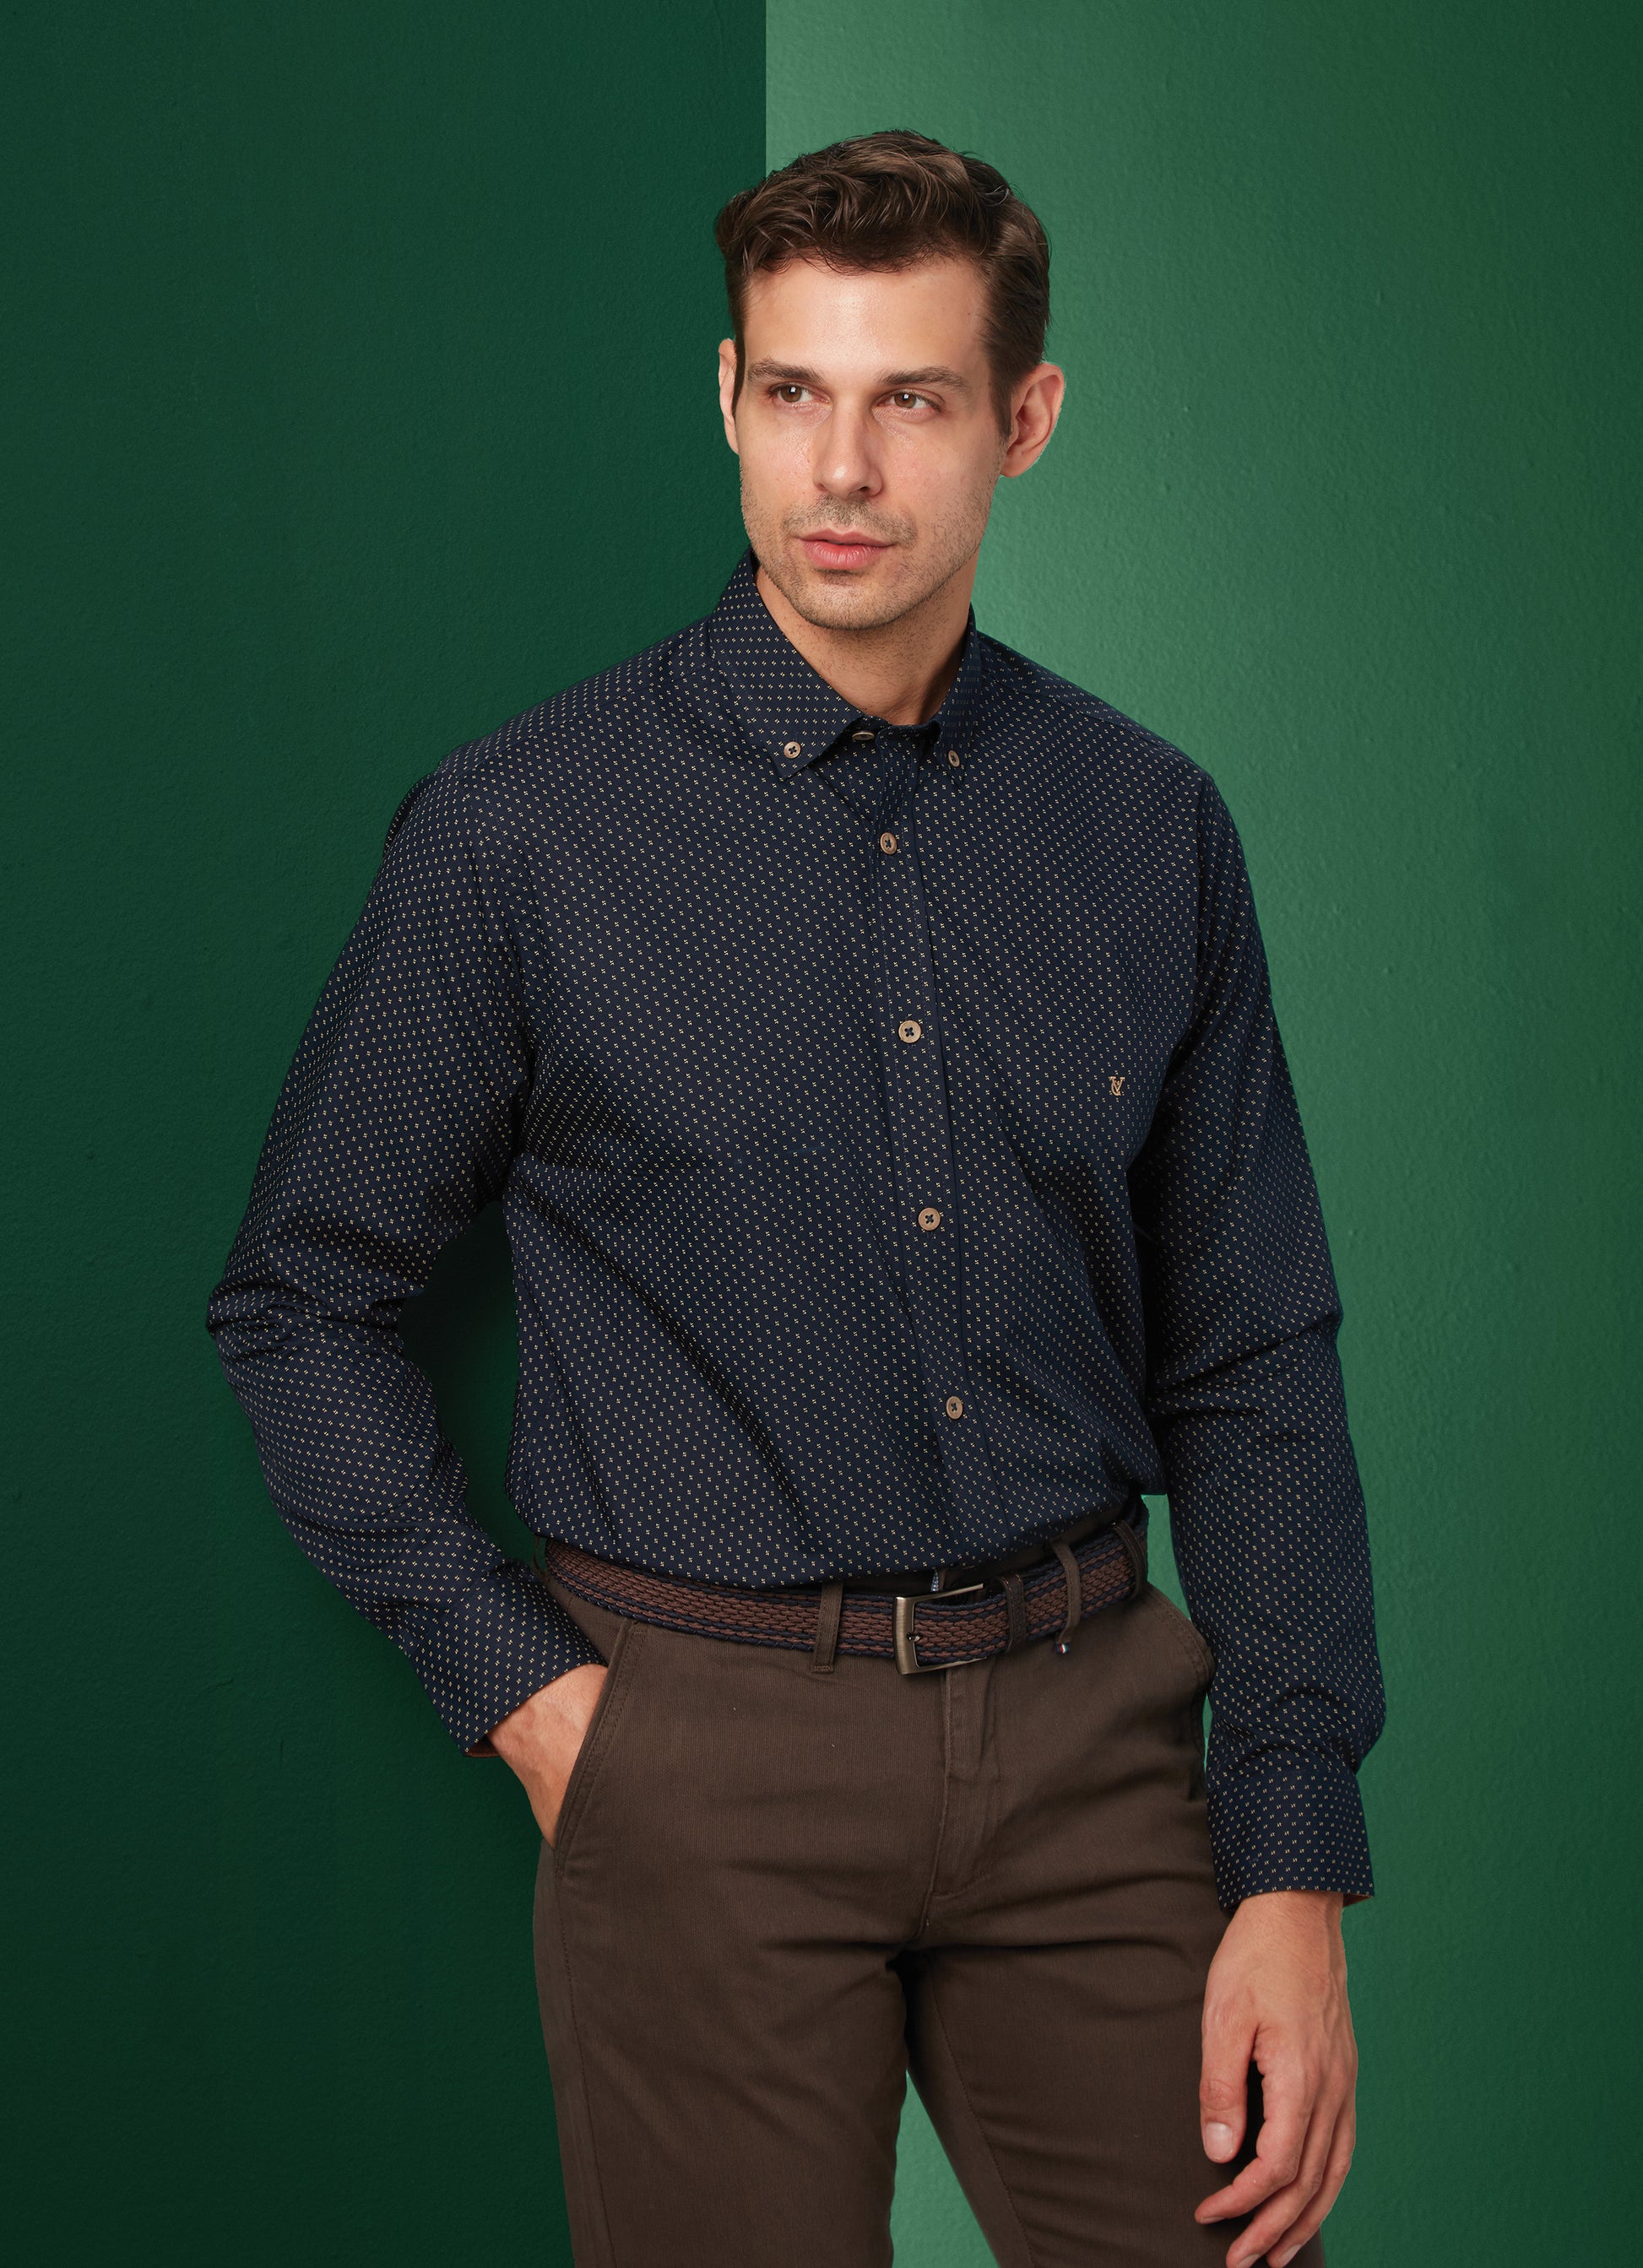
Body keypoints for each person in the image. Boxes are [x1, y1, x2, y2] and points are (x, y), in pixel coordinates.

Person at [209, 129, 1384, 2268]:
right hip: (696, 1749)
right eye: (792, 394)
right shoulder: (522, 835)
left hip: (1093, 1738)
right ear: (730, 397)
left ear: (1023, 419)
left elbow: (1251, 1355)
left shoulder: (1147, 830)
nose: (840, 470)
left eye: (910, 399)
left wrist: (1291, 1855)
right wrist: (539, 1705)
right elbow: (298, 1299)